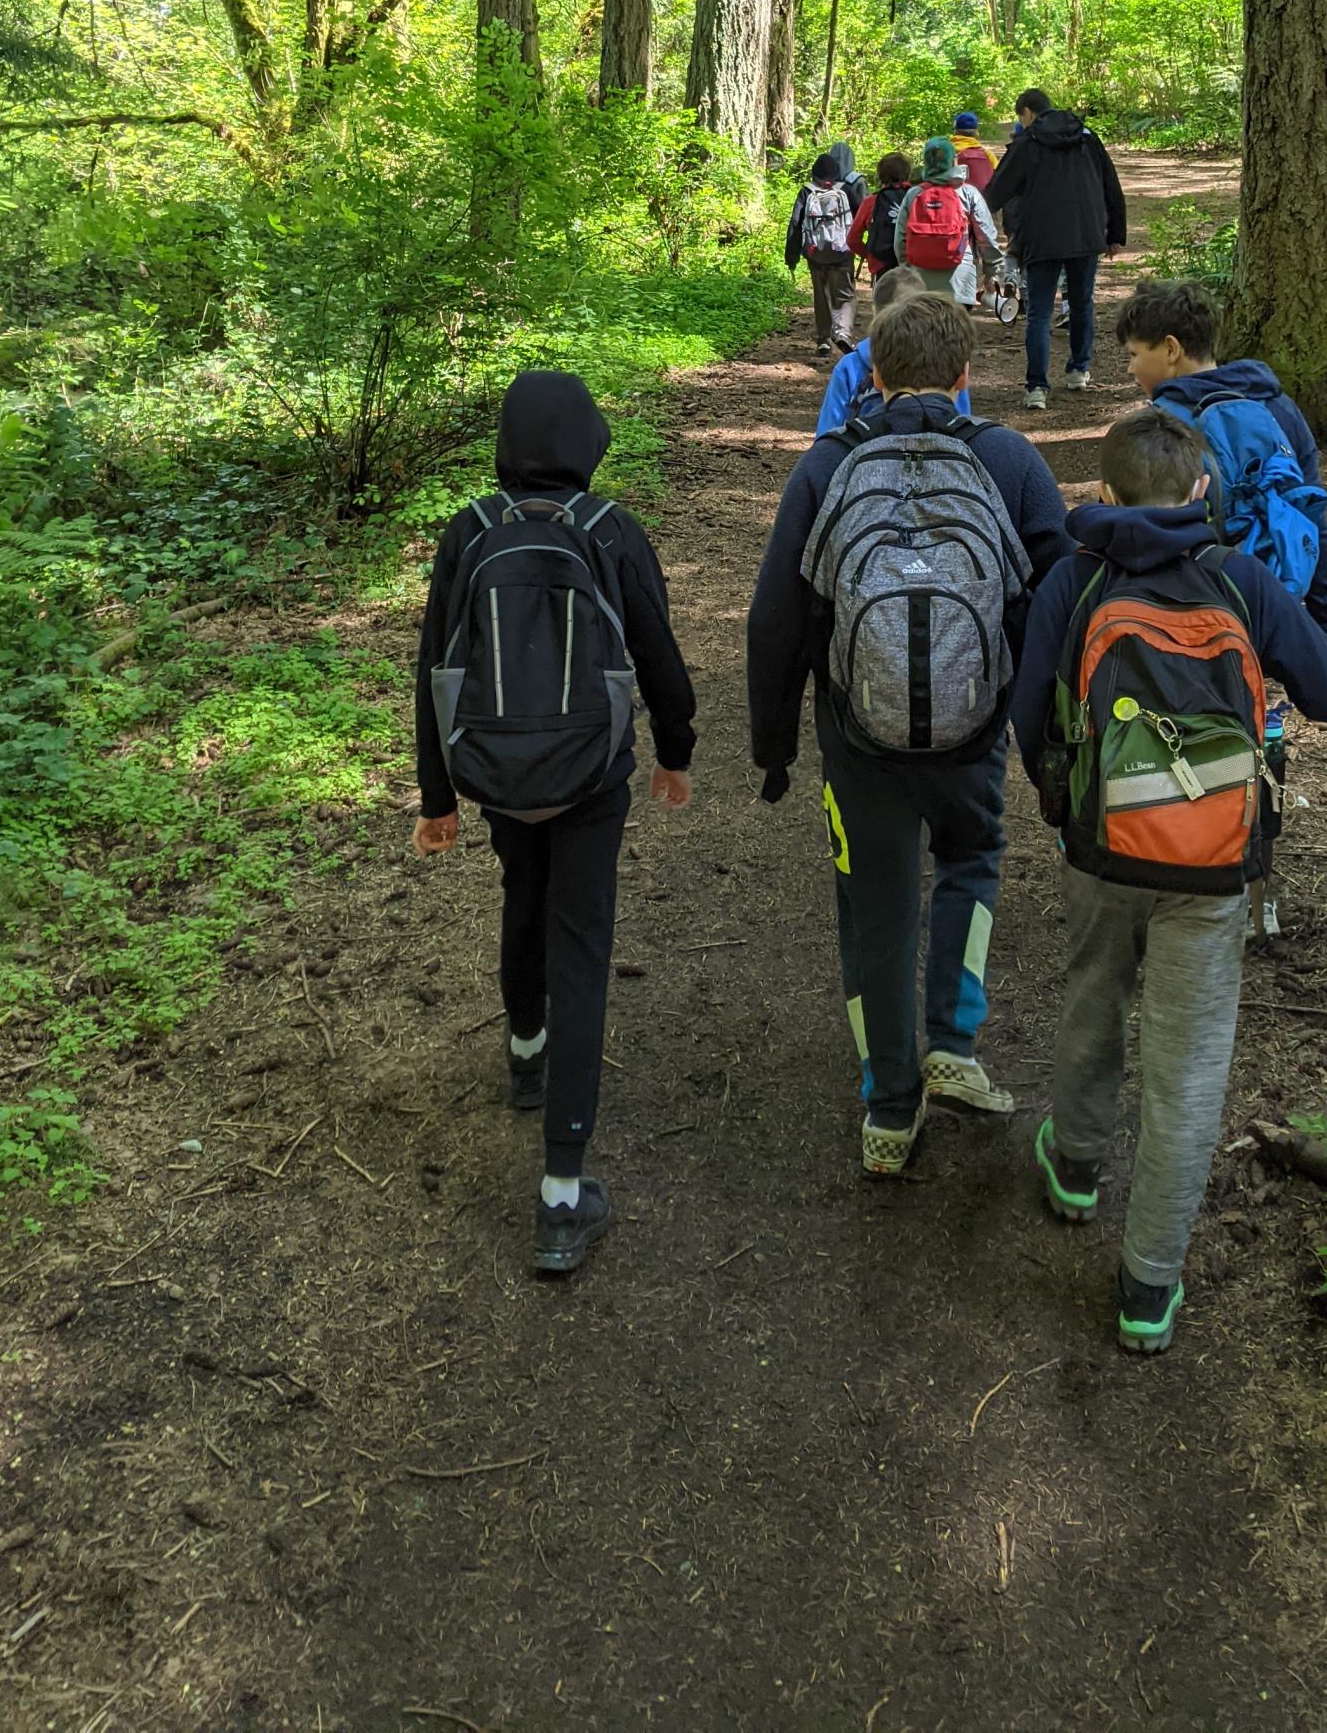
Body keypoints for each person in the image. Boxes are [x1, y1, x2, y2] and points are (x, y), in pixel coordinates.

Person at [1009, 405, 1327, 1352]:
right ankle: (1149, 1287)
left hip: (1102, 845)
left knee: (1093, 994)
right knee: (1190, 1067)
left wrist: (1062, 796)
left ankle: (1075, 1166)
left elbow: (1027, 710)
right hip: (1214, 861)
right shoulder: (1239, 582)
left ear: (1102, 494)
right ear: (1203, 491)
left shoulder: (1073, 582)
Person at [747, 294, 1074, 1176]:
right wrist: (1038, 728)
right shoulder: (1005, 457)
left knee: (875, 906)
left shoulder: (827, 466)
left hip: (860, 741)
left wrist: (773, 746)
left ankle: (891, 1108)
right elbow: (1058, 595)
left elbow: (777, 618)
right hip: (973, 734)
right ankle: (954, 1042)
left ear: (874, 375)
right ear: (967, 375)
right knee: (971, 859)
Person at [413, 372, 696, 1275]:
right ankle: (563, 1195)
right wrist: (675, 748)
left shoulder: (471, 529)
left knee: (521, 892)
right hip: (590, 774)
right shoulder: (609, 529)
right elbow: (656, 647)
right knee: (582, 942)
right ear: (587, 441)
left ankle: (526, 1051)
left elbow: (434, 666)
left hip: (497, 770)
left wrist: (437, 796)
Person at [1115, 278, 1327, 943]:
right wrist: (1322, 623)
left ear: (1173, 349)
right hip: (1274, 599)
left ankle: (1179, 859)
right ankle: (1256, 888)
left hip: (1192, 613)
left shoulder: (1160, 427)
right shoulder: (1279, 405)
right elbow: (1313, 512)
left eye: (1135, 355)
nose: (1131, 369)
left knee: (1190, 734)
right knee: (1260, 733)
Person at [984, 89, 1127, 411]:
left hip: (1041, 238)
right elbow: (1110, 184)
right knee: (1081, 303)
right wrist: (1115, 233)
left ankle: (1036, 387)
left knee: (1038, 313)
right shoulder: (1087, 138)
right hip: (1087, 234)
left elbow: (995, 192)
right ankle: (1079, 369)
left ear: (1027, 113)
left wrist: (972, 223)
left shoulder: (1027, 144)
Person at [814, 265, 973, 435]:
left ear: (875, 313)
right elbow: (961, 422)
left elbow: (828, 431)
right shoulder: (946, 358)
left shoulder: (850, 366)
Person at [896, 134, 1002, 308]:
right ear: (954, 162)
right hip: (960, 282)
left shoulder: (914, 194)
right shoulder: (969, 193)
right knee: (957, 333)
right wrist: (992, 272)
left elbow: (900, 239)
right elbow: (986, 237)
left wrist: (909, 270)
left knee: (925, 332)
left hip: (920, 283)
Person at [785, 150, 859, 357]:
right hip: (842, 252)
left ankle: (824, 339)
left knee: (821, 294)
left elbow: (795, 224)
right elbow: (860, 217)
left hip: (815, 253)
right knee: (844, 294)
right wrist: (865, 247)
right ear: (836, 172)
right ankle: (843, 332)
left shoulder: (806, 192)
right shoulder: (846, 190)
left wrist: (791, 256)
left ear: (814, 173)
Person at [846, 152, 915, 279]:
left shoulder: (871, 201)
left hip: (881, 267)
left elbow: (852, 239)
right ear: (907, 173)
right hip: (911, 266)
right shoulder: (918, 197)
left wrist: (870, 254)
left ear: (881, 175)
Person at [952, 112, 998, 191]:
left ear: (955, 132)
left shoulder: (947, 152)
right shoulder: (987, 154)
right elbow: (999, 177)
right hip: (983, 201)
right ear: (976, 134)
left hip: (954, 201)